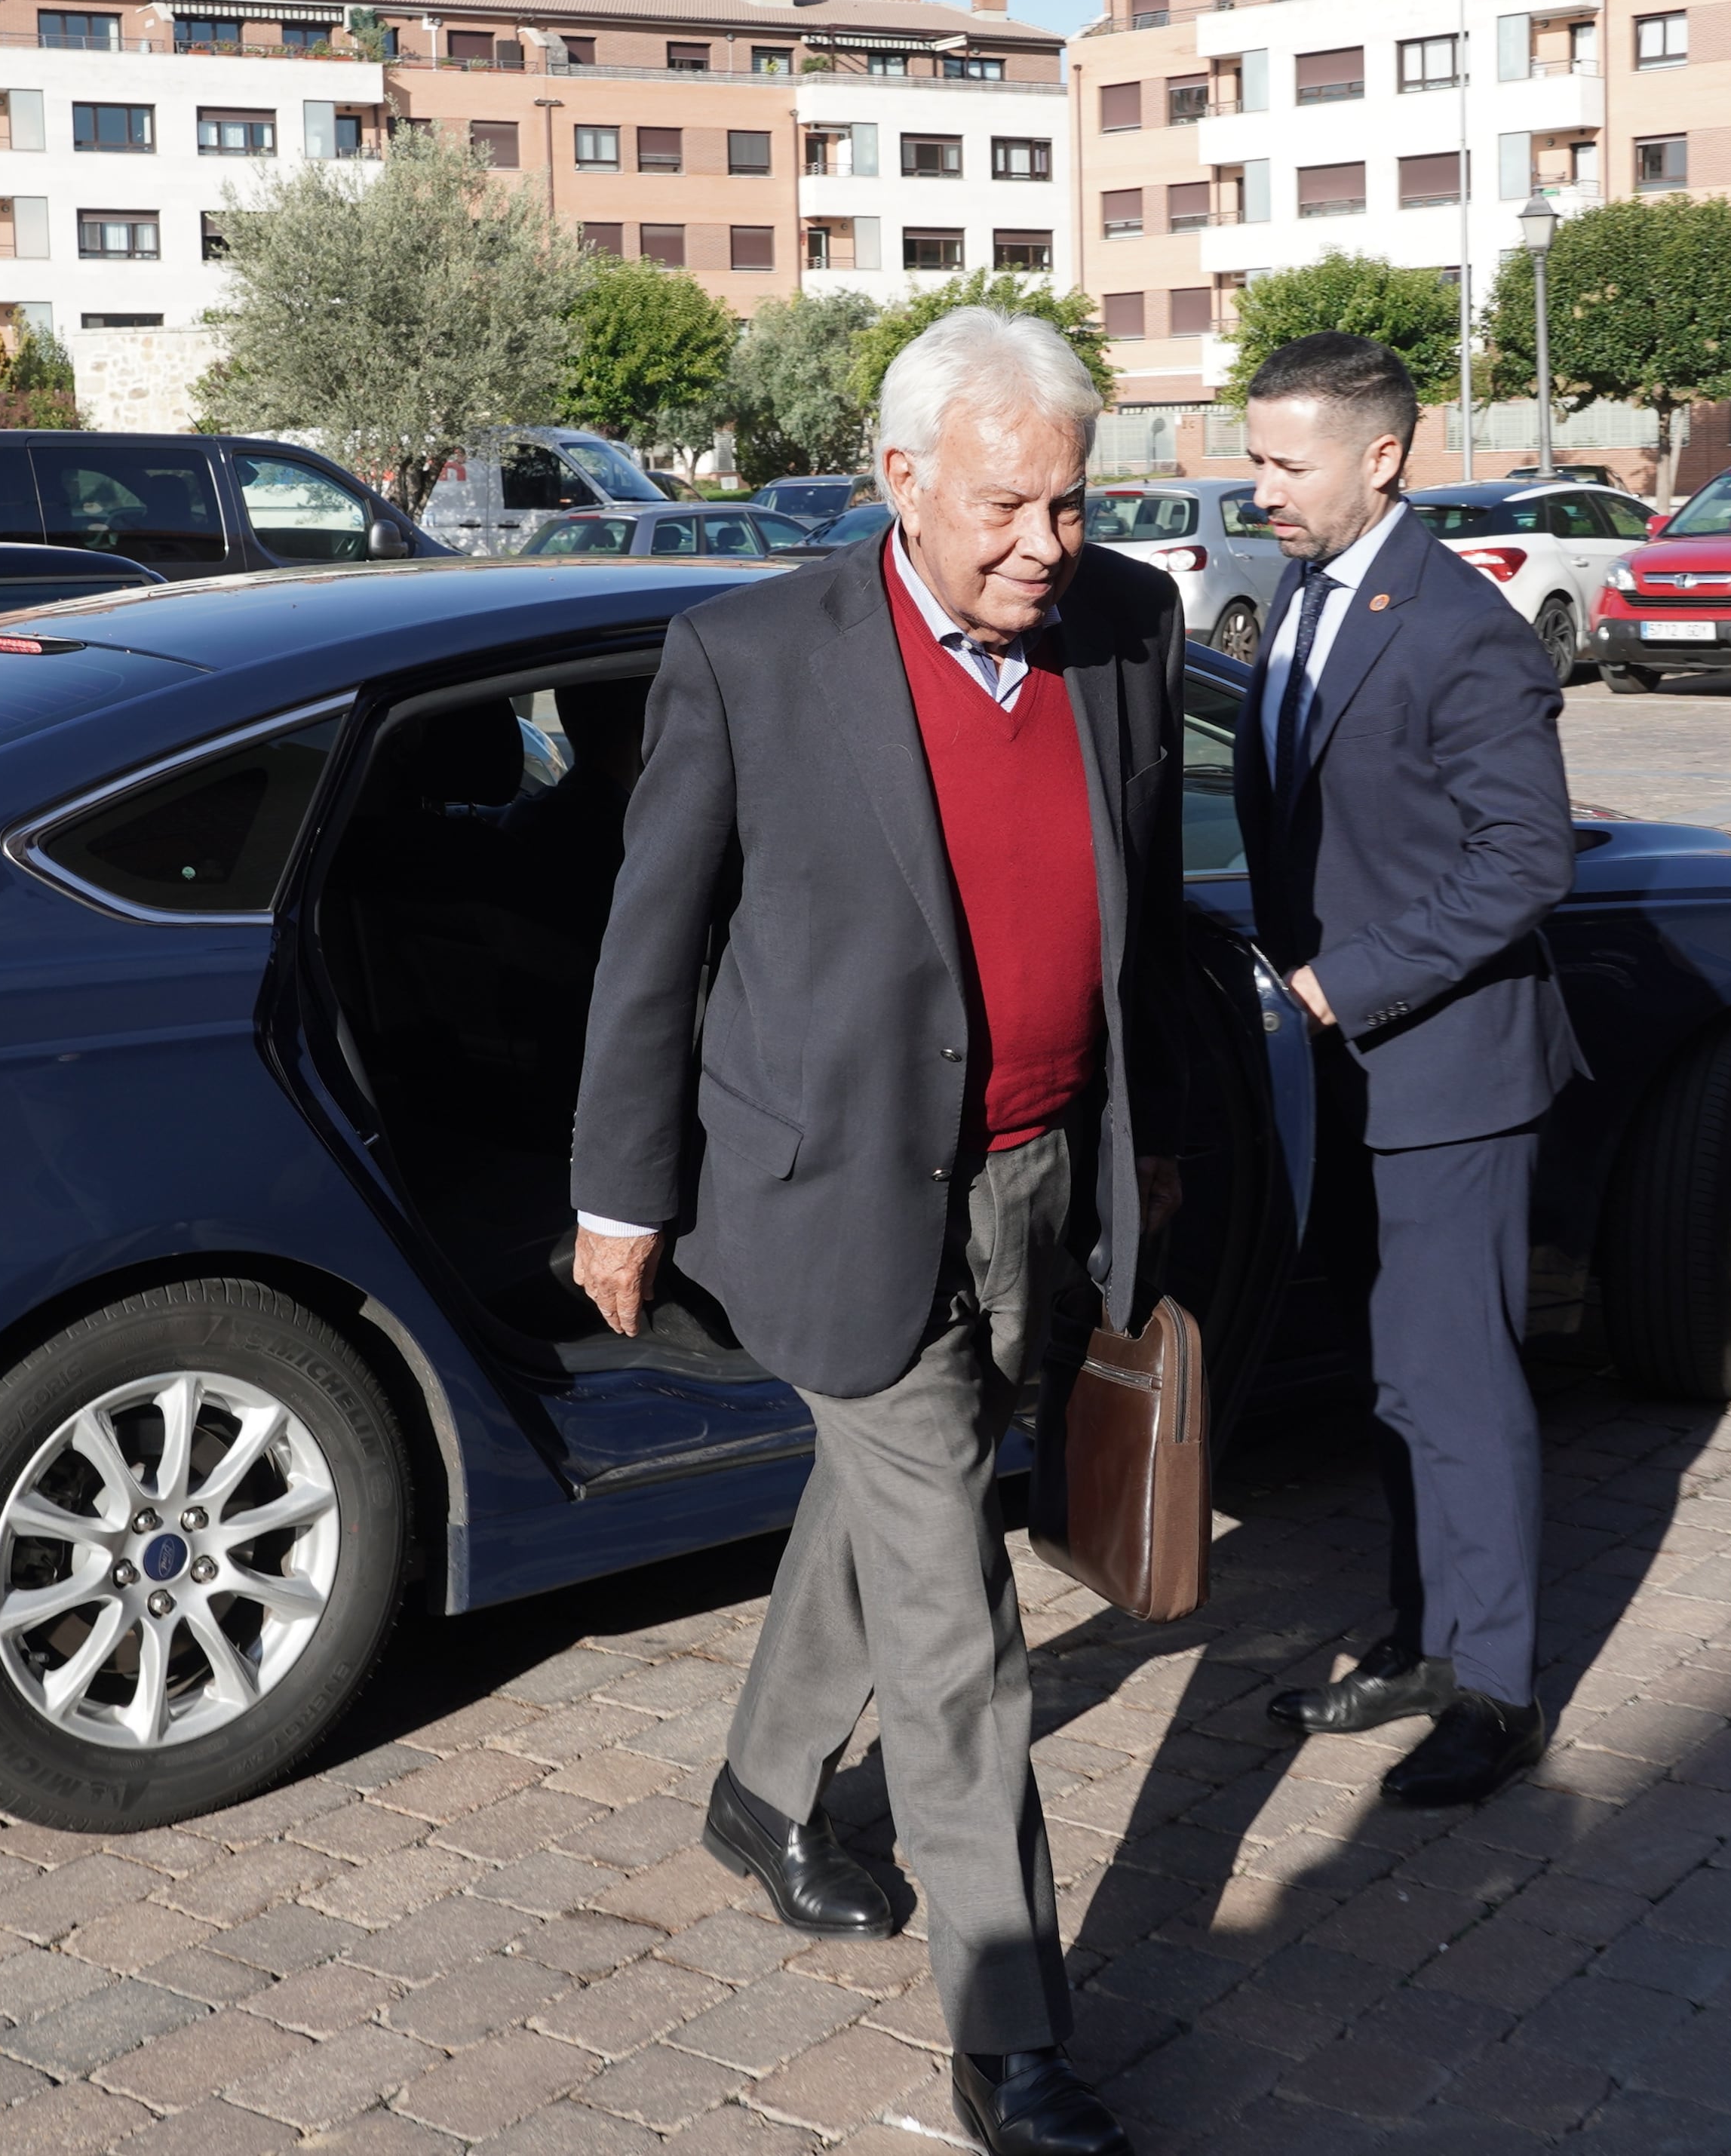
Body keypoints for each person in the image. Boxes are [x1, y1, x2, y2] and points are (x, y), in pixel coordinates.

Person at [569, 307, 1181, 2156]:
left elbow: (1146, 906)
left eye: (1069, 503)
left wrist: (1170, 1166)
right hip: (831, 1180)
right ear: (899, 478)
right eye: (1008, 505)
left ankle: (763, 1789)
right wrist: (621, 1187)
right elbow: (652, 942)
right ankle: (1014, 2032)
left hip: (1038, 1178)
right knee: (955, 1612)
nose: (1044, 545)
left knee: (879, 1473)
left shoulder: (1129, 629)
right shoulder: (754, 656)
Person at [1232, 333, 1583, 1810]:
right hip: (1345, 1078)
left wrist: (1332, 983)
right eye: (1251, 458)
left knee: (1457, 1385)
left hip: (1442, 1076)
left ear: (1383, 457)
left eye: (1281, 463)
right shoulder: (1295, 600)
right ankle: (1419, 1636)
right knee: (1390, 1381)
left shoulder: (1462, 632)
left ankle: (1495, 1687)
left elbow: (1528, 861)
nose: (1256, 491)